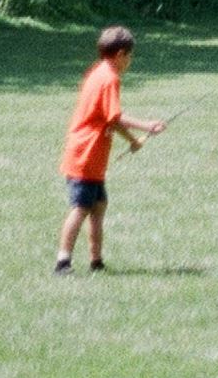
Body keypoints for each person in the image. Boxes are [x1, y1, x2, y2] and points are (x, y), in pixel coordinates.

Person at [55, 25, 164, 272]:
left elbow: (107, 118)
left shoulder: (98, 72)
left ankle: (96, 261)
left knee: (99, 206)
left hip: (91, 157)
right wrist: (146, 126)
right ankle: (63, 261)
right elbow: (115, 117)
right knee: (80, 208)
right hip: (85, 155)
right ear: (120, 54)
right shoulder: (109, 78)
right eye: (130, 56)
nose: (130, 62)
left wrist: (134, 140)